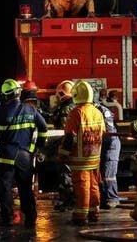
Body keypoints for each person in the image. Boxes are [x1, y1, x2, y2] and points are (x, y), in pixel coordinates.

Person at [0, 79, 49, 226]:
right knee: (25, 188)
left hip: (6, 157)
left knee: (5, 188)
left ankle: (8, 218)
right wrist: (36, 147)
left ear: (5, 95)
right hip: (24, 156)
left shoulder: (1, 112)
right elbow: (44, 128)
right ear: (18, 93)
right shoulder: (31, 110)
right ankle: (30, 218)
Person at [59, 80, 105, 226]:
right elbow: (102, 132)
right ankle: (94, 212)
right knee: (94, 185)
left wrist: (62, 154)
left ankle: (80, 216)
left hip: (80, 160)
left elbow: (70, 137)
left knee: (82, 186)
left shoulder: (76, 113)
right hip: (94, 157)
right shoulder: (98, 112)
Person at [52, 80, 76, 211]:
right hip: (72, 146)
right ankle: (68, 200)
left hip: (66, 146)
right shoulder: (72, 106)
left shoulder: (67, 108)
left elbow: (65, 131)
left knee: (65, 174)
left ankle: (68, 201)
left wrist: (63, 150)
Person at [96, 97, 121, 209]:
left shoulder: (102, 111)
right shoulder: (96, 110)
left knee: (108, 174)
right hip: (103, 145)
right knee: (102, 173)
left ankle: (112, 199)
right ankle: (105, 198)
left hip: (110, 146)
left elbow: (109, 133)